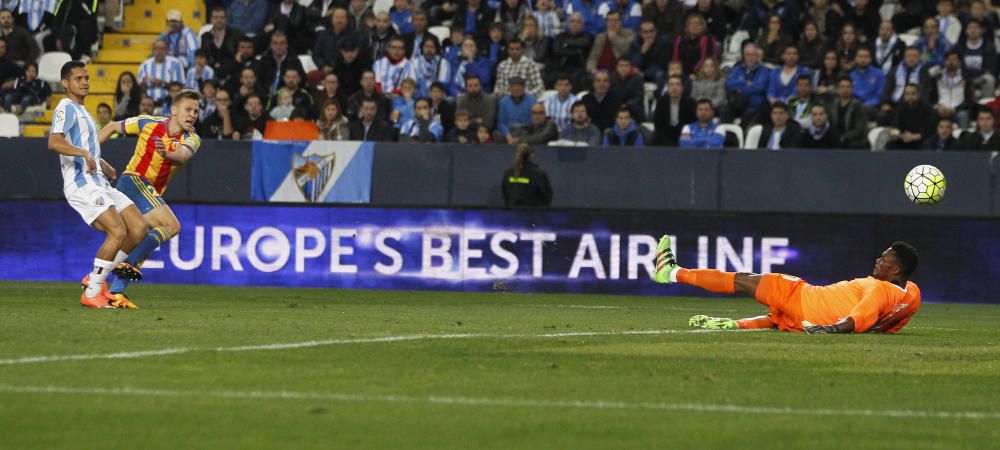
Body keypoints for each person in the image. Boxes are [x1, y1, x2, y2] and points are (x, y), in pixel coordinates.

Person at [652, 236, 923, 334]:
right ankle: (737, 324)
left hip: (803, 297)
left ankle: (672, 272)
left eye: (885, 258)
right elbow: (885, 325)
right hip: (808, 317)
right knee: (777, 319)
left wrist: (830, 329)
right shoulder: (912, 295)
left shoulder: (877, 289)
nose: (878, 259)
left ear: (896, 269)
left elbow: (861, 317)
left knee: (742, 280)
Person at [48, 61, 147, 309]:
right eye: (79, 78)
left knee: (139, 228)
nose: (85, 82)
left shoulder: (86, 114)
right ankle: (92, 291)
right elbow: (55, 142)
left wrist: (102, 163)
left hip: (99, 181)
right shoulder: (65, 108)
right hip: (82, 185)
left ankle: (95, 278)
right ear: (65, 83)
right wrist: (83, 153)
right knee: (118, 231)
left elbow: (88, 151)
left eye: (87, 78)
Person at [725, 43, 770, 125]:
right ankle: (727, 136)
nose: (750, 58)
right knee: (725, 110)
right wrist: (745, 83)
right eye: (748, 55)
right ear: (744, 56)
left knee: (749, 113)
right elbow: (729, 84)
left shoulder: (764, 71)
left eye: (753, 55)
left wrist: (740, 89)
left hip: (753, 105)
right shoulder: (737, 69)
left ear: (757, 56)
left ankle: (740, 136)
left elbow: (759, 87)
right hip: (737, 103)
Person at [889, 84, 938, 150]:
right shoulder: (900, 108)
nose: (910, 97)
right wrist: (900, 136)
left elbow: (932, 130)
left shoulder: (927, 108)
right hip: (904, 138)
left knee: (927, 144)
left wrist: (915, 136)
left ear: (918, 95)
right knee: (890, 144)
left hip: (921, 139)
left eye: (913, 93)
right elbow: (894, 127)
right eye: (907, 94)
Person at [653, 74, 695, 146]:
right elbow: (658, 125)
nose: (674, 87)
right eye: (671, 85)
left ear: (682, 87)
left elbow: (692, 124)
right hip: (665, 137)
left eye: (677, 84)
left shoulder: (691, 103)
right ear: (668, 88)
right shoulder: (661, 102)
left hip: (684, 135)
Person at [829, 77, 868, 149]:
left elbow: (859, 129)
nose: (845, 90)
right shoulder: (833, 105)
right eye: (842, 87)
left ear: (852, 89)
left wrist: (844, 137)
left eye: (848, 87)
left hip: (852, 139)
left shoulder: (858, 106)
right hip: (836, 137)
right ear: (838, 89)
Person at [496, 75, 535, 143]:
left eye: (519, 86)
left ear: (524, 87)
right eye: (513, 86)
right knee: (496, 134)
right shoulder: (503, 101)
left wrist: (521, 138)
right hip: (510, 130)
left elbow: (533, 122)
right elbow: (502, 123)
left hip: (526, 130)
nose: (516, 89)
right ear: (509, 88)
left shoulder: (532, 100)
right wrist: (508, 136)